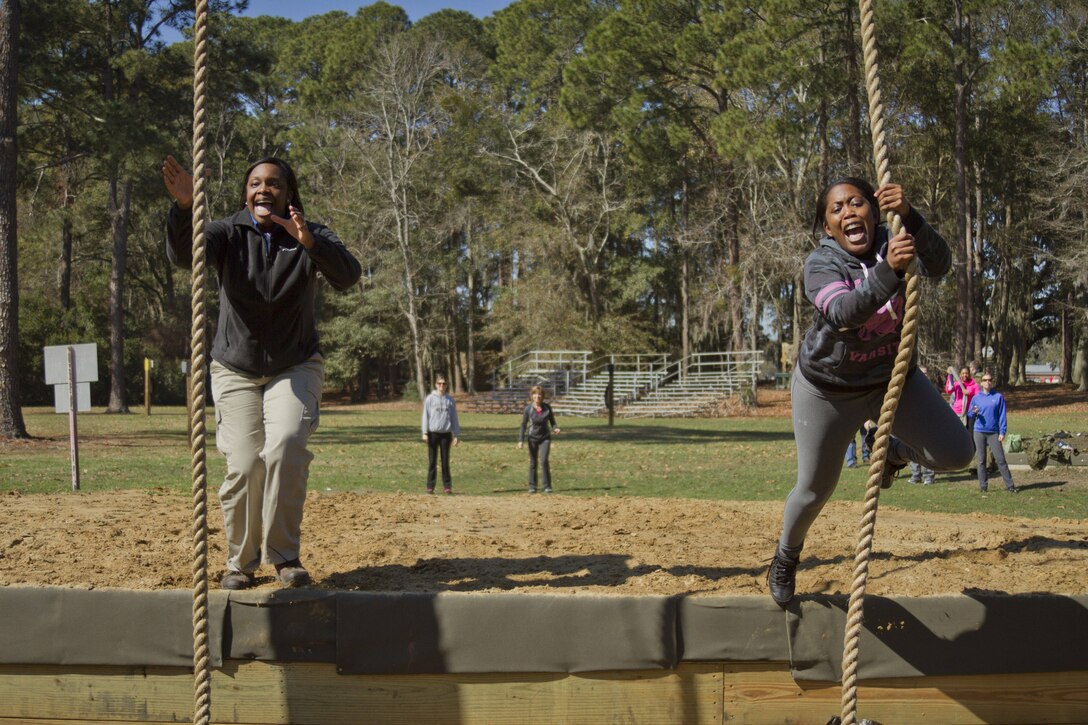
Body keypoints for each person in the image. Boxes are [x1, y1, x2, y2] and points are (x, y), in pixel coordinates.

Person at [767, 177, 974, 606]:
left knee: (958, 454)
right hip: (827, 389)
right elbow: (845, 313)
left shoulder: (895, 237)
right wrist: (889, 271)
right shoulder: (820, 264)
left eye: (857, 203)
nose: (849, 213)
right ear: (828, 227)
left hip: (891, 380)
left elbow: (941, 264)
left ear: (874, 211)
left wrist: (913, 218)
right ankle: (786, 556)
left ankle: (894, 452)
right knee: (814, 488)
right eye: (837, 209)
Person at [163, 155, 362, 590]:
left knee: (287, 446)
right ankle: (241, 561)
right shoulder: (226, 232)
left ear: (288, 193)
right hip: (235, 368)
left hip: (294, 364)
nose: (263, 190)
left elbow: (348, 276)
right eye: (255, 183)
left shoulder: (309, 236)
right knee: (244, 463)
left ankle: (284, 554)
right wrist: (183, 209)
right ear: (245, 192)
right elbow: (185, 257)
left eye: (273, 183)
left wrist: (309, 241)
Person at [969, 372, 1017, 493]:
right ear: (981, 383)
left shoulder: (998, 397)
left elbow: (1002, 415)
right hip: (979, 432)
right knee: (981, 460)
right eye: (985, 380)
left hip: (993, 433)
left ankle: (1010, 486)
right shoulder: (976, 398)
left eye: (990, 380)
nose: (987, 382)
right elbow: (969, 414)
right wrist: (973, 412)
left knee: (1000, 459)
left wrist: (1002, 431)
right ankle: (983, 487)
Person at [518, 385, 561, 493]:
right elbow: (523, 425)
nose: (537, 396)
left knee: (544, 460)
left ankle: (547, 486)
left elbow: (553, 422)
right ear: (532, 396)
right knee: (533, 462)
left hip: (545, 438)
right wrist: (520, 440)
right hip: (532, 438)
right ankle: (532, 486)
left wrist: (555, 429)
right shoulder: (528, 409)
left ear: (542, 396)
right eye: (535, 394)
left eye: (539, 394)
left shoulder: (547, 407)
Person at [422, 374, 460, 494]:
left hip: (446, 434)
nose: (441, 386)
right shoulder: (430, 399)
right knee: (432, 461)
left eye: (444, 384)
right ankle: (430, 486)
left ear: (446, 385)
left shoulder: (450, 400)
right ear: (435, 385)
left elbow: (454, 418)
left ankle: (447, 486)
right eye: (439, 383)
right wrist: (425, 432)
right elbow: (425, 416)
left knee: (445, 462)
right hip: (433, 434)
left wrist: (456, 435)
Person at [908, 365, 937, 484]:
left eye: (925, 373)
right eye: (921, 373)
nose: (924, 375)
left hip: (928, 424)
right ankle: (916, 475)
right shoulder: (911, 388)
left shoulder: (932, 389)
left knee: (929, 452)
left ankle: (929, 476)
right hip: (914, 424)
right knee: (913, 449)